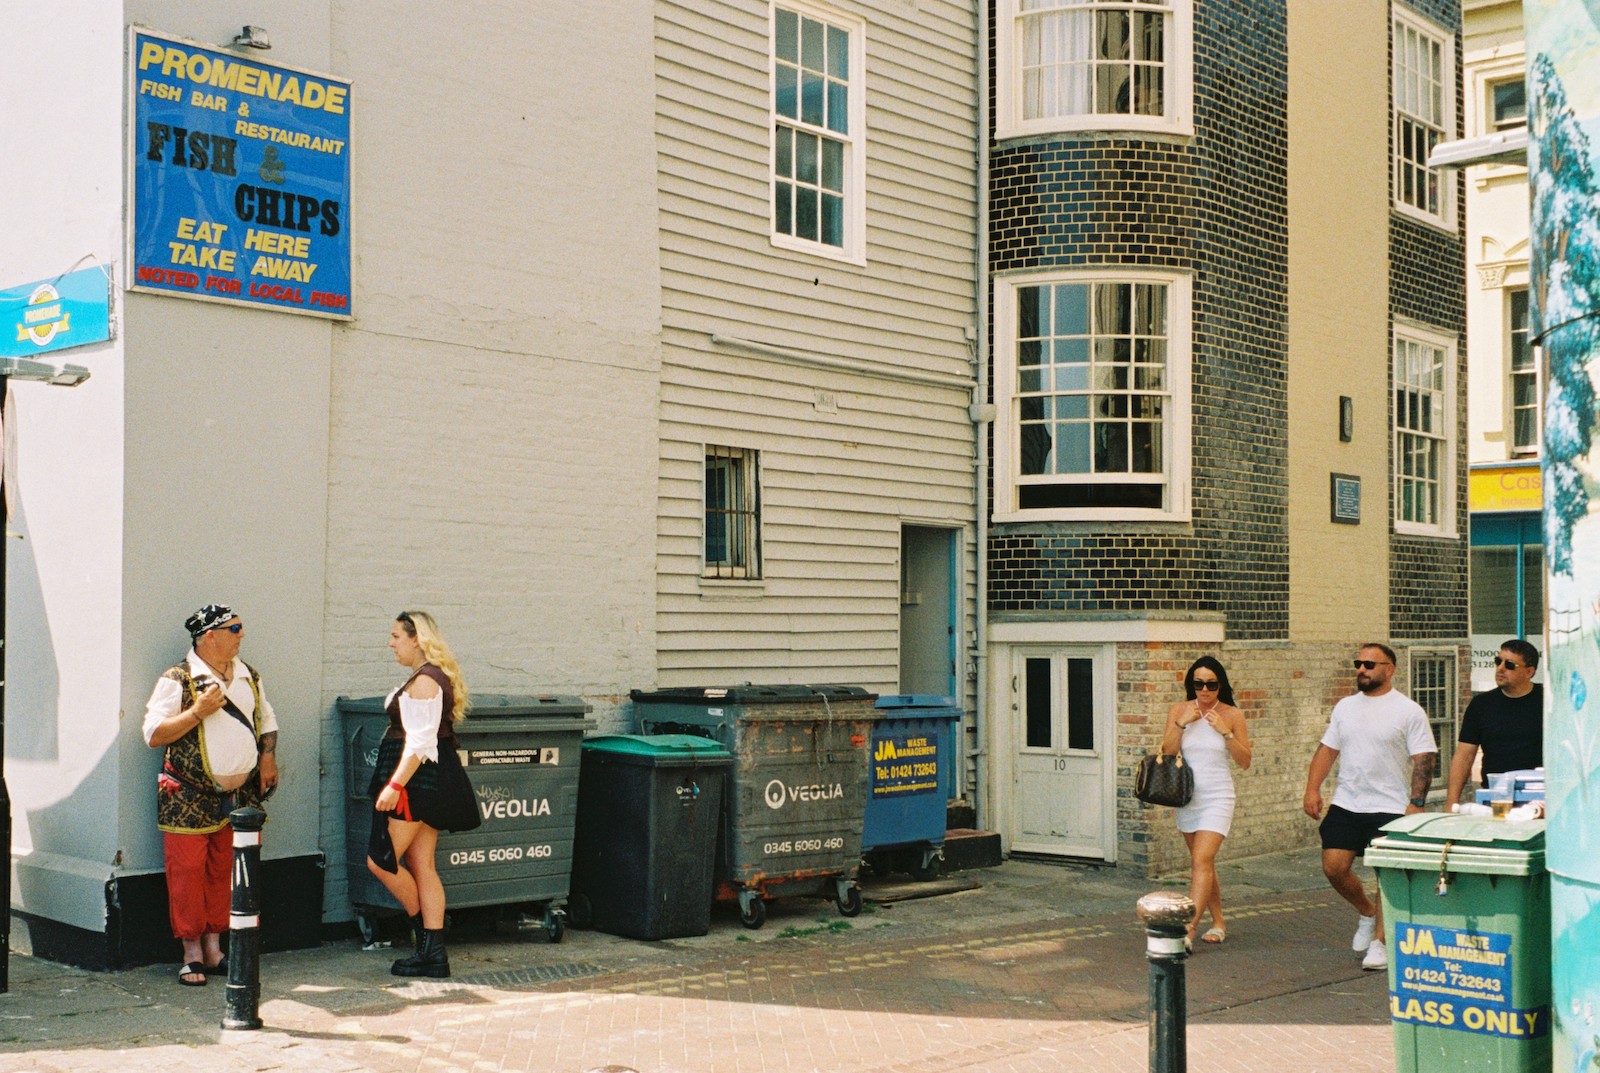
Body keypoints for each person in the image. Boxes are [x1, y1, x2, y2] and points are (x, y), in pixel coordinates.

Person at [142, 604, 279, 987]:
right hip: (187, 794)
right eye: (235, 628)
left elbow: (265, 719)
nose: (242, 635)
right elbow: (152, 734)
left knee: (225, 869)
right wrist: (198, 712)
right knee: (186, 872)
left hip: (239, 795)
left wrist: (267, 757)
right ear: (210, 636)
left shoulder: (248, 674)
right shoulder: (178, 678)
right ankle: (190, 953)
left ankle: (215, 947)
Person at [1302, 643, 1437, 972]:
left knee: (1385, 876)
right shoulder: (1345, 707)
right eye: (1358, 663)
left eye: (1369, 664)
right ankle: (1367, 911)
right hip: (1348, 802)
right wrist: (1312, 789)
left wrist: (1416, 804)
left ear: (1389, 669)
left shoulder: (1408, 711)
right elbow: (1327, 750)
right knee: (1333, 867)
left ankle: (1380, 943)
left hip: (1389, 805)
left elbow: (1425, 758)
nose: (1361, 669)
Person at [365, 610, 471, 979]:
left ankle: (425, 936)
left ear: (417, 639)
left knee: (380, 861)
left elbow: (421, 742)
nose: (391, 643)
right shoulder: (423, 678)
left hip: (415, 784)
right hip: (422, 781)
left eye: (396, 636)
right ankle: (434, 953)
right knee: (422, 865)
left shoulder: (426, 681)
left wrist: (394, 785)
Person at [1160, 656, 1251, 949]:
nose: (1204, 690)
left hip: (1218, 797)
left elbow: (1245, 761)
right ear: (1191, 685)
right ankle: (1219, 921)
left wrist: (1226, 732)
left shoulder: (1232, 714)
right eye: (1198, 684)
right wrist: (1181, 724)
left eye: (1211, 684)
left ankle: (1188, 929)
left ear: (1220, 685)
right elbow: (1167, 752)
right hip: (1187, 797)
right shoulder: (1180, 710)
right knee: (1204, 864)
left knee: (1201, 861)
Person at [1445, 639, 1543, 810]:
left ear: (1529, 671)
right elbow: (1464, 755)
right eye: (1498, 661)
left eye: (1510, 665)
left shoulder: (1547, 700)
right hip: (1495, 797)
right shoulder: (1481, 704)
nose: (1501, 668)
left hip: (1538, 797)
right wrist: (1452, 801)